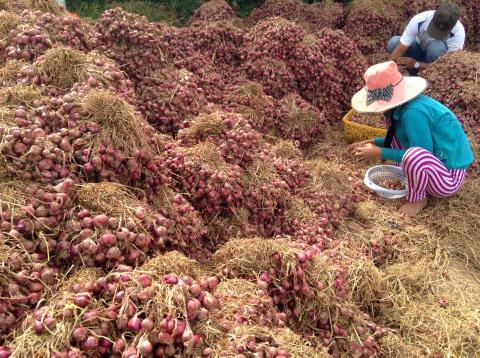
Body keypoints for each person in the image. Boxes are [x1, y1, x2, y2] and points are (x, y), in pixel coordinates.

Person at [349, 61, 474, 217]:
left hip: (448, 176)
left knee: (413, 155)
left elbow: (421, 153)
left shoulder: (413, 113)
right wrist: (374, 142)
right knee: (396, 134)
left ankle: (418, 200)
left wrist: (380, 152)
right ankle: (414, 178)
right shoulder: (402, 109)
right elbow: (398, 136)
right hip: (434, 164)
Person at [388, 2, 464, 75]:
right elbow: (400, 48)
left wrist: (417, 64)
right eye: (435, 28)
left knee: (436, 47)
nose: (436, 34)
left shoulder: (458, 32)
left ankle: (429, 79)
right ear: (434, 15)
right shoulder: (419, 20)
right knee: (394, 42)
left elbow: (448, 67)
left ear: (453, 25)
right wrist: (385, 70)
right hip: (417, 52)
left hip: (435, 63)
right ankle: (413, 73)